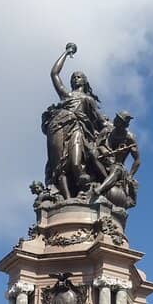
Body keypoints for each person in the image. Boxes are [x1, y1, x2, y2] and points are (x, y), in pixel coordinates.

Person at [43, 43, 106, 199]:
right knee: (59, 166)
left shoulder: (88, 100)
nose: (75, 79)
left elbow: (101, 121)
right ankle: (66, 198)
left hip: (77, 128)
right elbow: (54, 74)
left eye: (78, 77)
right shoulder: (67, 95)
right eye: (73, 77)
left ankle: (85, 192)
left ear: (84, 81)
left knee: (76, 163)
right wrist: (66, 53)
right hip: (57, 126)